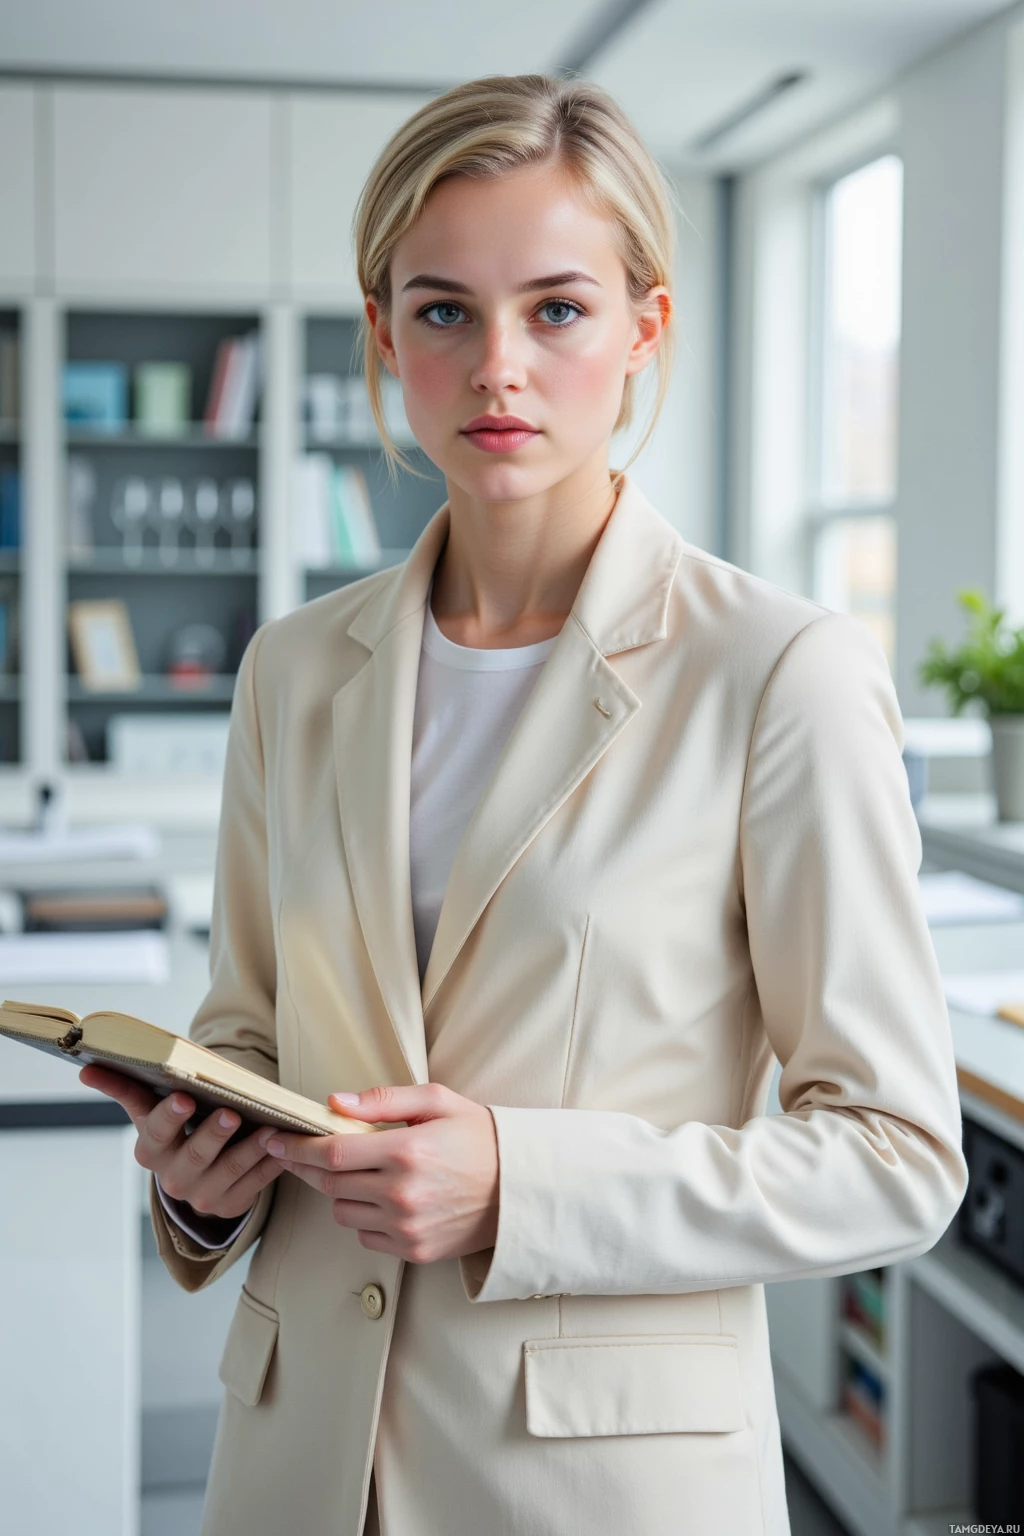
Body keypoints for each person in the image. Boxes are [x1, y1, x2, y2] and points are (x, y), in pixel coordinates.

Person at [80, 72, 968, 1536]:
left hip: (598, 1486)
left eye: (557, 309)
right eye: (443, 311)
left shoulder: (779, 674)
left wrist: (522, 1184)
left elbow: (894, 1155)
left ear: (644, 327)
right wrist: (202, 1182)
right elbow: (249, 1027)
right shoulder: (294, 670)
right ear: (383, 334)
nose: (499, 366)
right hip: (297, 1466)